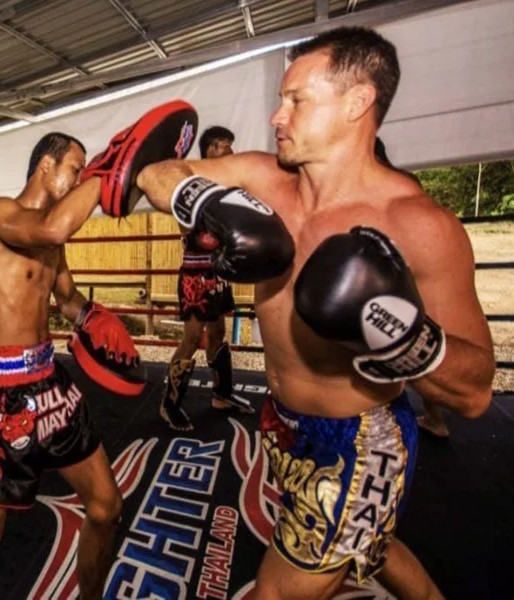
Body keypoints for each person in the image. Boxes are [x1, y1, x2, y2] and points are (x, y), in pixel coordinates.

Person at [136, 27, 495, 599]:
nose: (278, 116)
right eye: (280, 99)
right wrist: (204, 200)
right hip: (282, 422)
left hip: (359, 446)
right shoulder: (261, 179)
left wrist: (396, 335)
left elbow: (476, 391)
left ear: (357, 103)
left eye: (296, 100)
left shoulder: (421, 226)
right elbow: (155, 174)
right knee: (369, 549)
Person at [0, 101, 199, 599]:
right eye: (76, 168)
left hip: (50, 386)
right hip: (1, 397)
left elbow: (67, 298)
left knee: (106, 507)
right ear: (47, 165)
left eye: (85, 170)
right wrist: (106, 176)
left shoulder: (54, 239)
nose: (81, 176)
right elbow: (55, 227)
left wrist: (99, 321)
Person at [160, 124, 252, 433]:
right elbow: (189, 230)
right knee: (192, 336)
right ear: (208, 151)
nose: (227, 150)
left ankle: (221, 396)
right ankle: (169, 405)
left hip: (218, 272)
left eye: (229, 144)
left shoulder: (231, 188)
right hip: (196, 274)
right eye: (220, 145)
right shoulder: (191, 184)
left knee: (218, 333)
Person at [375, 139, 449, 439]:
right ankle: (434, 417)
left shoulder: (382, 186)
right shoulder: (407, 181)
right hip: (415, 273)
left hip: (396, 276)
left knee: (390, 344)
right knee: (414, 344)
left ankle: (390, 414)